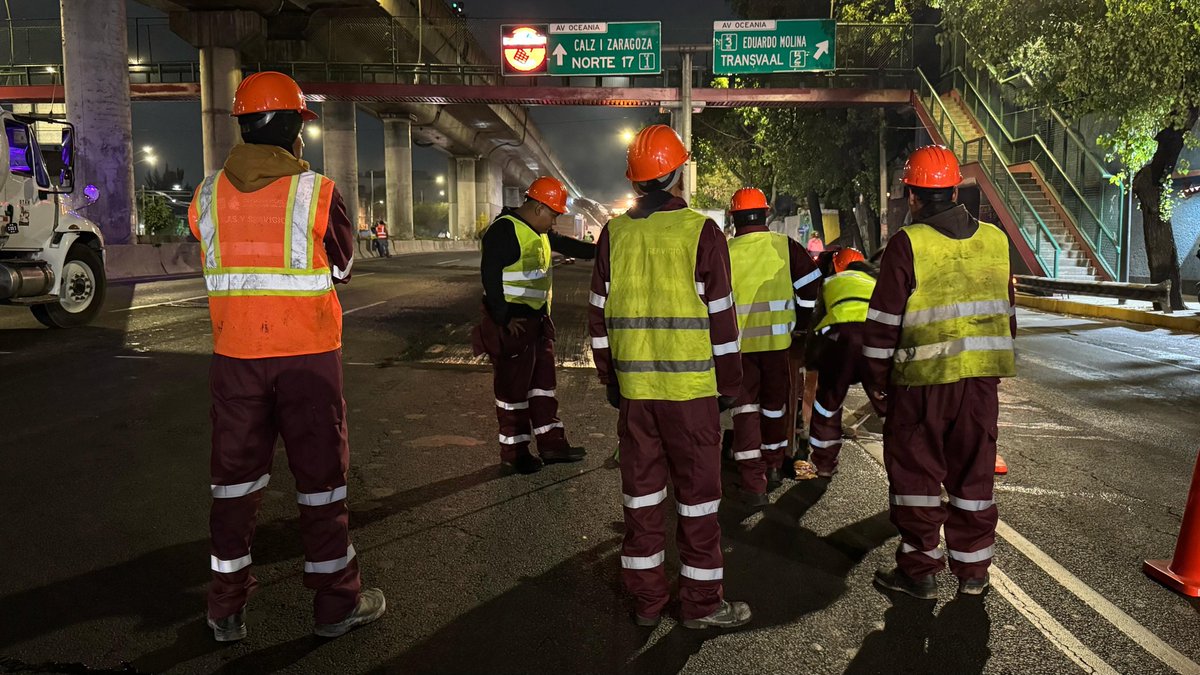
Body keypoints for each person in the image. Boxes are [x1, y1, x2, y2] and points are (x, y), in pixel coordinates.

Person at [188, 71, 384, 642]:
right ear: (294, 127)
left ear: (246, 127)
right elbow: (343, 268)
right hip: (308, 362)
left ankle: (224, 608)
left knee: (234, 486)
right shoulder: (317, 192)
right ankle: (335, 605)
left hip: (235, 359)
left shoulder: (206, 195)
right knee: (321, 485)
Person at [589, 124, 751, 629]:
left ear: (635, 181)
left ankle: (646, 602)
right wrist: (730, 385)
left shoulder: (613, 234)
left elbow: (598, 318)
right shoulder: (701, 233)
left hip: (637, 397)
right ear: (678, 174)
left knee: (641, 500)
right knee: (698, 503)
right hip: (693, 396)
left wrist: (611, 380)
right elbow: (722, 320)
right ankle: (702, 606)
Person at [863, 145, 1017, 599]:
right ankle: (973, 575)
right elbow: (1007, 316)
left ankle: (919, 572)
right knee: (974, 479)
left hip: (922, 386)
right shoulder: (995, 240)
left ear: (912, 196)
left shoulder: (907, 244)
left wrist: (876, 383)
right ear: (954, 190)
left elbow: (884, 325)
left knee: (917, 479)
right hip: (980, 384)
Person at [472, 176, 595, 474]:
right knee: (513, 392)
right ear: (539, 207)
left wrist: (603, 249)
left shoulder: (538, 231)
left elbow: (568, 246)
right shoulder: (504, 231)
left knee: (542, 388)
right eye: (553, 214)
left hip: (538, 323)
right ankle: (515, 452)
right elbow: (490, 275)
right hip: (514, 325)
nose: (554, 222)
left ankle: (552, 444)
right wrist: (503, 317)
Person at [725, 187, 822, 505]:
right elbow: (811, 285)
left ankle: (753, 484)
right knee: (775, 407)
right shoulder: (784, 246)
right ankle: (775, 467)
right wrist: (803, 324)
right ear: (765, 214)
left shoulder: (725, 251)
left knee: (745, 412)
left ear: (734, 217)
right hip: (778, 345)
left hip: (738, 350)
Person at [805, 247, 878, 477]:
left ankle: (825, 463)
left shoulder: (831, 283)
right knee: (889, 402)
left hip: (841, 340)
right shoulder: (875, 282)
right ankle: (911, 469)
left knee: (828, 402)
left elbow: (816, 322)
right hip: (874, 339)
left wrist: (811, 359)